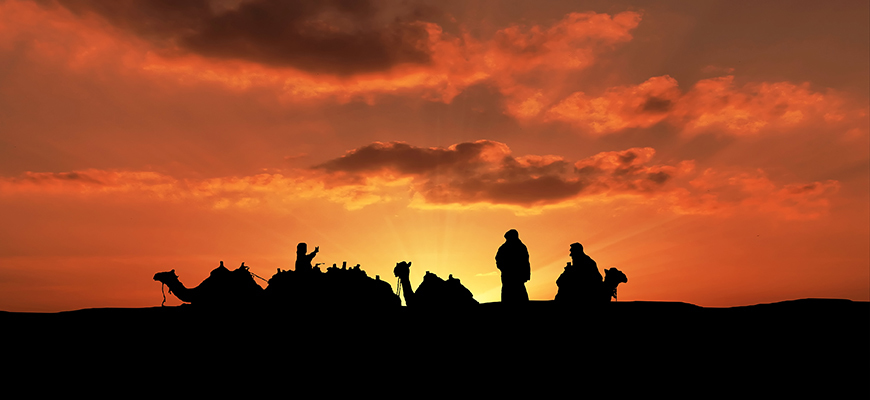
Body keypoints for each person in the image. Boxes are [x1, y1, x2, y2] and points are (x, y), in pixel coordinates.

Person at [495, 229, 531, 303]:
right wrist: (504, 269)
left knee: (519, 293)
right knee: (508, 293)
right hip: (508, 275)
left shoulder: (520, 247)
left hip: (517, 276)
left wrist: (526, 274)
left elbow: (525, 261)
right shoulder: (504, 248)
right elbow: (498, 260)